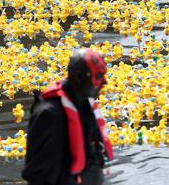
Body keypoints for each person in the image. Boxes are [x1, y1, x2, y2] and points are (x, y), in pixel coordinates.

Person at [22, 48, 114, 185]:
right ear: (79, 77)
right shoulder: (49, 115)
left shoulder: (86, 104)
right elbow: (38, 175)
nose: (104, 82)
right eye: (98, 76)